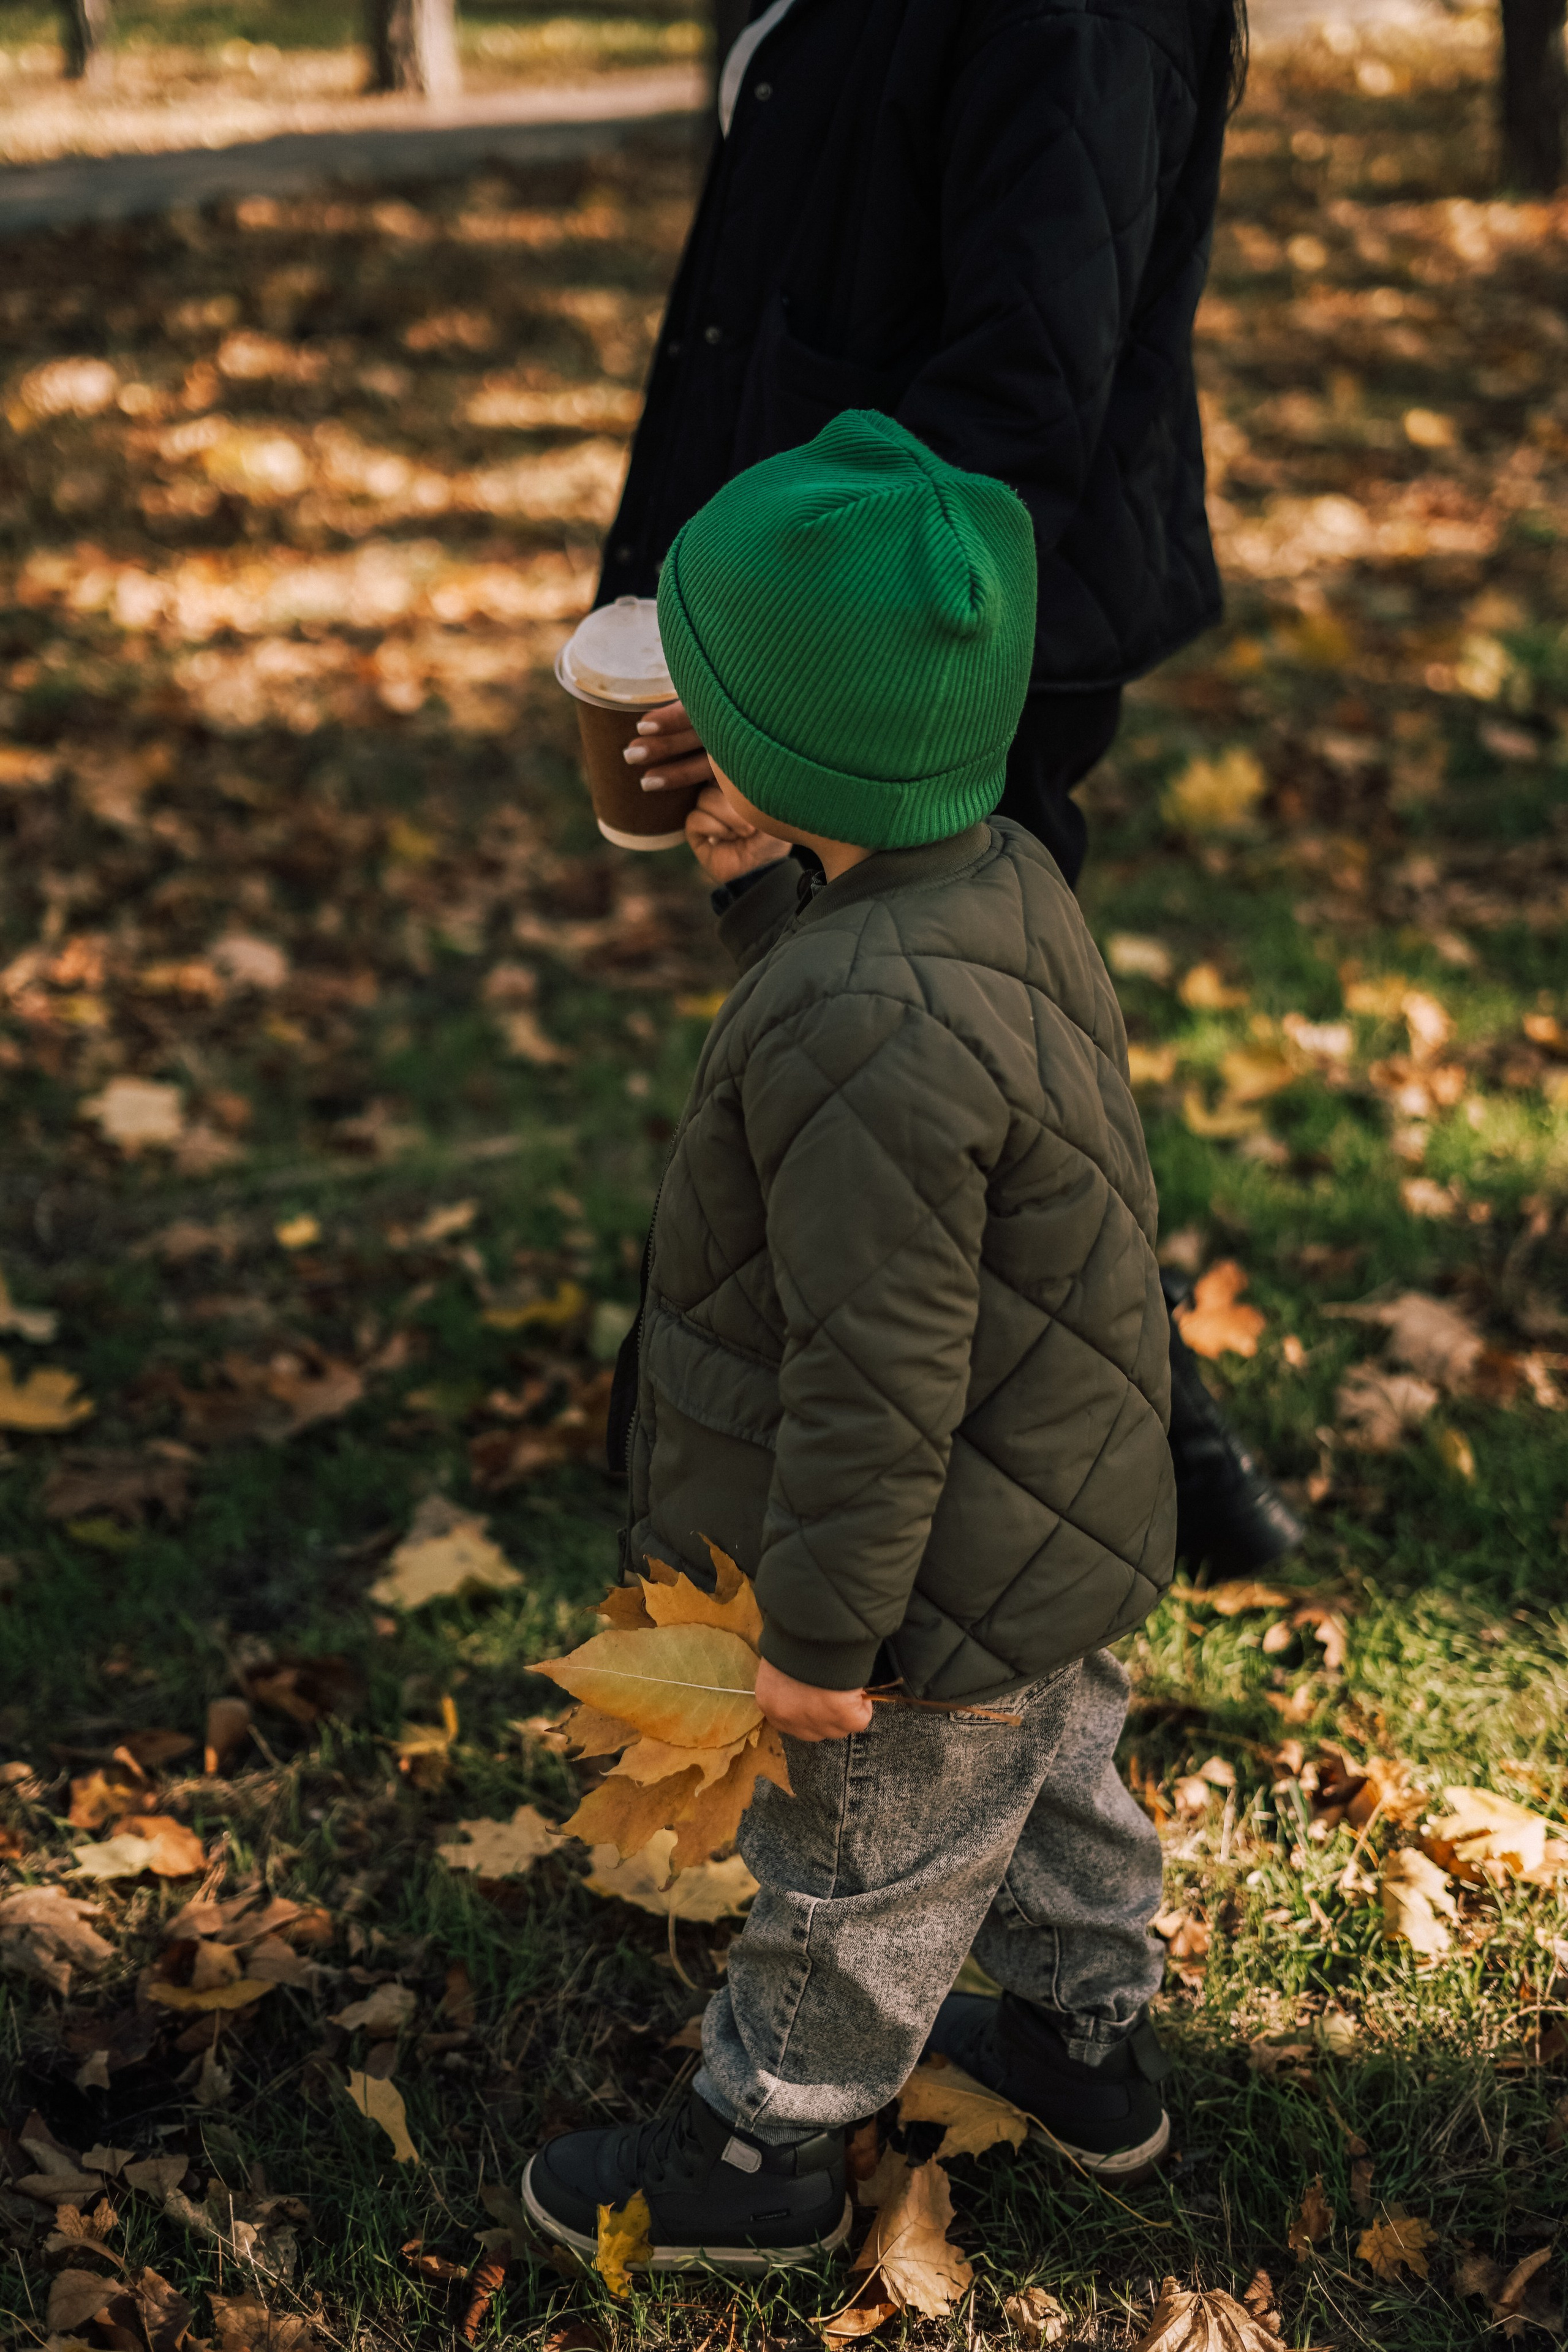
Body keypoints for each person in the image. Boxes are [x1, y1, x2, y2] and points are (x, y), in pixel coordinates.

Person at [523, 413, 1177, 2274]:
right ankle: (1088, 2050)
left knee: (859, 1874)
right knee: (1058, 1795)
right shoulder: (986, 880)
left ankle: (765, 2155)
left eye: (709, 697)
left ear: (787, 747)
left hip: (916, 1588)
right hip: (1056, 1527)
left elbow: (877, 1383)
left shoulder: (857, 1025)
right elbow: (882, 1047)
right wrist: (750, 832)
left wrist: (818, 1647)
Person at [596, 0, 1302, 1581]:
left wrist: (807, 671)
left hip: (939, 629)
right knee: (895, 1039)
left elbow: (1022, 382)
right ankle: (1139, 1466)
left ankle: (1084, 1489)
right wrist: (683, 598)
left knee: (929, 1064)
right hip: (828, 599)